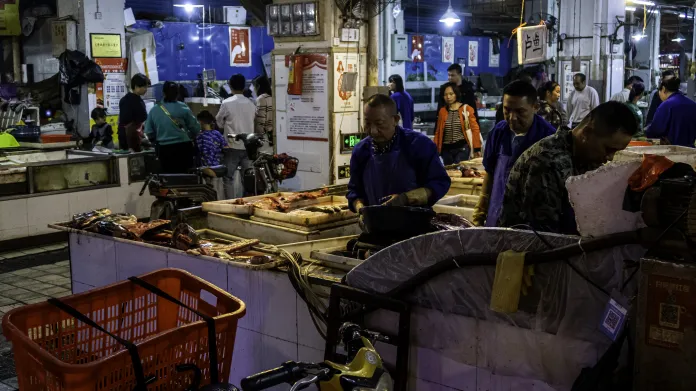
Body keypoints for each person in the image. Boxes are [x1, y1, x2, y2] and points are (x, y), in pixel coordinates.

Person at [498, 101, 638, 234]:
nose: (610, 158)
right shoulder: (547, 162)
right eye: (608, 149)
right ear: (586, 133)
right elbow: (544, 236)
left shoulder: (585, 158)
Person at [346, 94, 451, 213]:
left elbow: (440, 182)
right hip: (375, 226)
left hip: (416, 225)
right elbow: (354, 191)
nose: (373, 131)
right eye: (368, 124)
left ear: (395, 120)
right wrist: (360, 208)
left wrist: (406, 198)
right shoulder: (361, 150)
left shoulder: (419, 145)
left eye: (379, 124)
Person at [473, 81, 556, 227]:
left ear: (535, 107)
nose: (512, 118)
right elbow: (490, 173)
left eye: (520, 112)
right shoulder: (499, 131)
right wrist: (481, 211)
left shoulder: (548, 137)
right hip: (496, 216)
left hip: (529, 224)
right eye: (507, 110)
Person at [144, 81, 200, 173]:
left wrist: (156, 141)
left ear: (163, 93)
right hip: (184, 148)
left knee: (169, 177)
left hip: (164, 150)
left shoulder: (154, 110)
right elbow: (196, 128)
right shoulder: (183, 107)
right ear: (177, 93)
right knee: (186, 177)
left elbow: (149, 132)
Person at [216, 74, 257, 199]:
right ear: (244, 86)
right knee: (248, 178)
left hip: (232, 145)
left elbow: (219, 121)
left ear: (230, 86)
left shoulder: (227, 103)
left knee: (228, 177)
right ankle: (247, 202)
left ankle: (231, 204)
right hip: (248, 147)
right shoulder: (251, 104)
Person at [434, 82, 482, 165]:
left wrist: (477, 148)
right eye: (445, 94)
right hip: (446, 150)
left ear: (456, 94)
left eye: (451, 94)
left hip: (462, 148)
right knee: (449, 174)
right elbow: (438, 131)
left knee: (460, 171)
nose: (448, 97)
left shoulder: (466, 109)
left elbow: (475, 129)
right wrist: (435, 149)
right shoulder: (442, 111)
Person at [646, 77, 696, 147]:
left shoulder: (666, 105)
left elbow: (655, 130)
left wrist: (647, 130)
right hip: (691, 151)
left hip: (671, 152)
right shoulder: (693, 104)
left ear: (663, 89)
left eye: (659, 92)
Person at [118, 73, 150, 150]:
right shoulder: (137, 101)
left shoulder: (124, 99)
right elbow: (143, 117)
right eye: (144, 87)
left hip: (123, 134)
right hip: (133, 136)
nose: (146, 89)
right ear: (136, 87)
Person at [253, 75, 274, 144]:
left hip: (265, 137)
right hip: (273, 135)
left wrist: (258, 137)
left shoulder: (261, 99)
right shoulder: (272, 97)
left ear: (258, 86)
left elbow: (260, 122)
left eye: (254, 86)